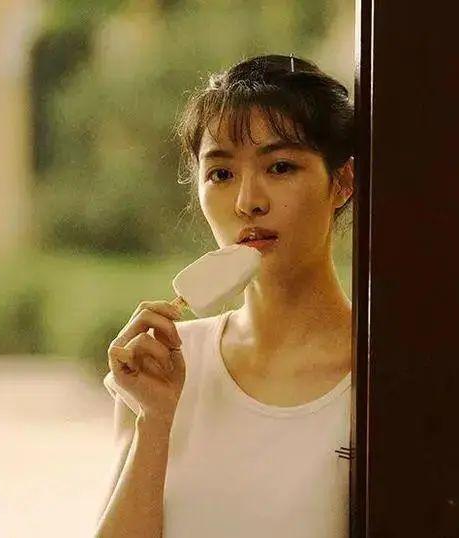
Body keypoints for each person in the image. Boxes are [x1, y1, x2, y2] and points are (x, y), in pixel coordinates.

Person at [95, 54, 355, 537]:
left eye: (280, 167)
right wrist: (154, 419)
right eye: (221, 174)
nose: (247, 202)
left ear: (342, 182)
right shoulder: (165, 366)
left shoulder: (383, 372)